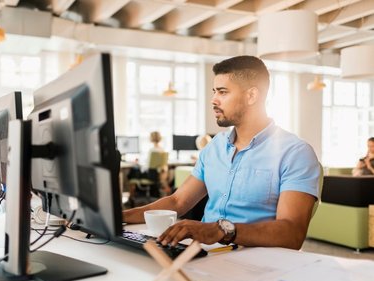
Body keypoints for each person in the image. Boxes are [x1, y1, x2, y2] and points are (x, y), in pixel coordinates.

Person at [123, 55, 320, 250]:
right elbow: (178, 201)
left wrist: (221, 231)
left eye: (223, 92)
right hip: (205, 254)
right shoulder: (215, 146)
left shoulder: (295, 153)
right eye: (214, 91)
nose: (213, 100)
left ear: (251, 95)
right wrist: (119, 217)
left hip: (259, 262)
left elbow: (292, 233)